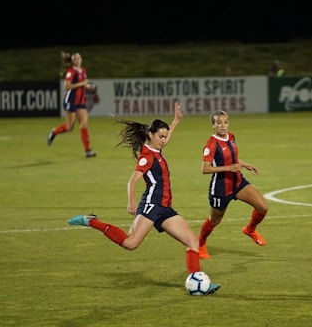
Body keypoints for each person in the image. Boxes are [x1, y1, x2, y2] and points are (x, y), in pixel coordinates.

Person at [67, 102, 221, 295]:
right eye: (160, 137)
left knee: (193, 242)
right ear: (151, 135)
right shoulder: (146, 156)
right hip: (151, 205)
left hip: (165, 208)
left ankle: (199, 283)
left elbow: (166, 138)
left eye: (165, 137)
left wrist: (176, 122)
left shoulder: (157, 149)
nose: (164, 140)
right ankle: (91, 221)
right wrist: (131, 202)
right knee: (131, 243)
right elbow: (132, 181)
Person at [197, 109, 269, 259]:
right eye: (219, 123)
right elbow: (205, 169)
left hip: (237, 182)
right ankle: (201, 243)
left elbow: (234, 157)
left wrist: (246, 165)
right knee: (215, 220)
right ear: (213, 125)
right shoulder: (211, 145)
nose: (223, 126)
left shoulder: (231, 137)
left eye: (225, 122)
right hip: (221, 188)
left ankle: (250, 230)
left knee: (263, 207)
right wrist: (228, 168)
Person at [47, 52, 97, 158]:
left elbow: (82, 85)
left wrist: (88, 86)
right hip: (71, 101)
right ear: (73, 61)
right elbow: (67, 86)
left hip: (81, 102)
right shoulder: (71, 72)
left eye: (79, 58)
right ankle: (54, 132)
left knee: (84, 124)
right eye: (75, 59)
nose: (77, 60)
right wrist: (82, 84)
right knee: (70, 127)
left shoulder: (83, 71)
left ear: (81, 59)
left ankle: (87, 150)